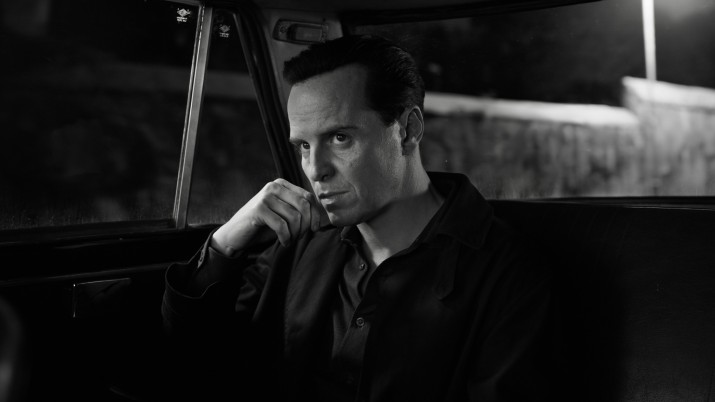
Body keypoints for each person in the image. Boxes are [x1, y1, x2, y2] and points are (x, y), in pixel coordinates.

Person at [161, 34, 556, 402]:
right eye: (303, 146)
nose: (315, 170)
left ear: (408, 130)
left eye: (340, 138)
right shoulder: (300, 243)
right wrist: (225, 243)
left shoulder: (507, 273)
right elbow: (196, 361)